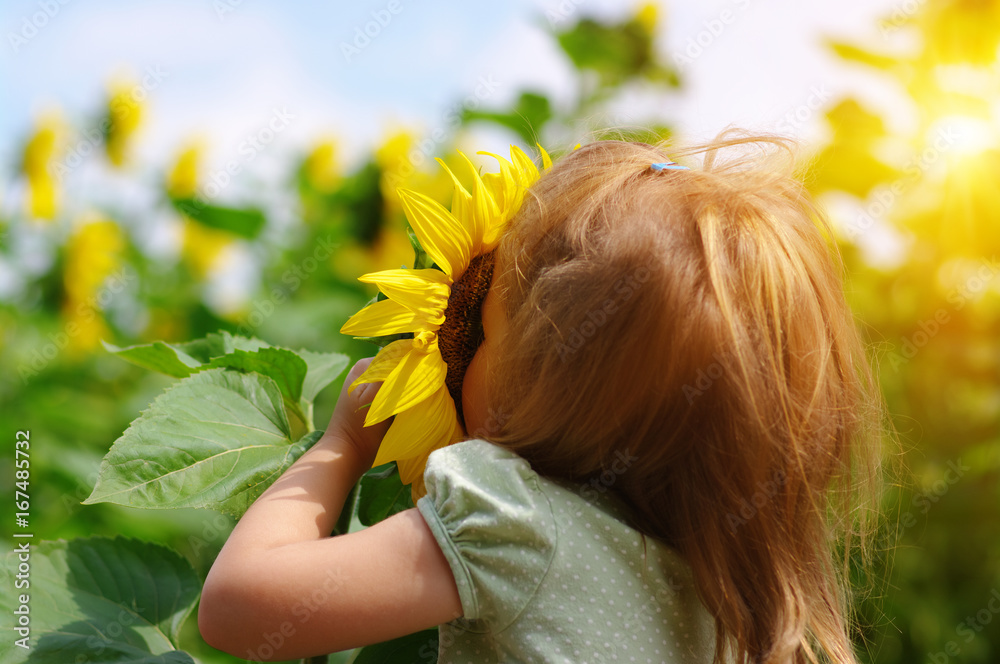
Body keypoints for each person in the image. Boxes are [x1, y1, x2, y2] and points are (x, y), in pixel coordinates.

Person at [198, 136, 885, 663]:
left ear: (537, 388)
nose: (456, 348)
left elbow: (239, 608)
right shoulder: (730, 603)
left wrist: (341, 444)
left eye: (485, 328)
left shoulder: (515, 521)